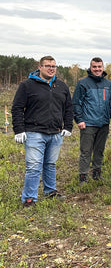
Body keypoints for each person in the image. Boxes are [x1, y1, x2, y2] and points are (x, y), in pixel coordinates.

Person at [12, 55, 73, 206]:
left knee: (50, 164)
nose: (51, 68)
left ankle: (50, 191)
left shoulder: (61, 86)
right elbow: (17, 108)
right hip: (34, 132)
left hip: (55, 133)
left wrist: (68, 126)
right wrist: (19, 129)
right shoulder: (27, 85)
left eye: (54, 66)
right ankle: (29, 198)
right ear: (40, 67)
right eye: (48, 66)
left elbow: (68, 108)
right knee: (33, 166)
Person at [72, 57, 111, 183]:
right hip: (88, 123)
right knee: (86, 151)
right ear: (90, 68)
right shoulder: (83, 83)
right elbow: (76, 103)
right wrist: (79, 119)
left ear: (103, 68)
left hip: (104, 123)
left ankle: (97, 173)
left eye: (99, 67)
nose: (97, 69)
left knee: (99, 150)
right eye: (94, 67)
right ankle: (83, 176)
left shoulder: (108, 84)